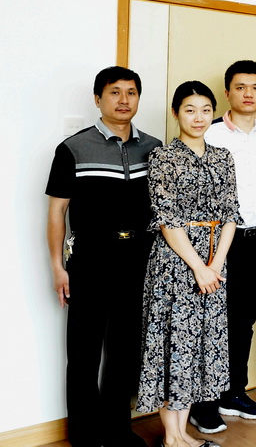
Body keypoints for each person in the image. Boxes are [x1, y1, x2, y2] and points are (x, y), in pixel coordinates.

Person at [45, 66, 162, 447]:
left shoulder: (154, 148)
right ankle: (83, 435)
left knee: (126, 349)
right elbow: (56, 212)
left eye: (131, 92)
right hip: (90, 259)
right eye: (114, 92)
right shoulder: (73, 149)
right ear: (98, 99)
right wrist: (57, 267)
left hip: (138, 259)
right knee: (83, 351)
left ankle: (117, 430)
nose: (123, 100)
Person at [136, 81, 241, 447]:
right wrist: (199, 266)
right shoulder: (163, 157)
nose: (199, 117)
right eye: (190, 110)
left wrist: (216, 265)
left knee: (198, 346)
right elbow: (167, 220)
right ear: (176, 113)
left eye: (206, 110)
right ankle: (172, 437)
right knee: (174, 344)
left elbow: (231, 215)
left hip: (215, 261)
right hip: (175, 262)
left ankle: (182, 434)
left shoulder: (223, 157)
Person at [190, 60, 256, 433]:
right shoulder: (208, 133)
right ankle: (202, 403)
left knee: (243, 322)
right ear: (227, 93)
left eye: (255, 87)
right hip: (216, 243)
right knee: (211, 321)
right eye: (240, 87)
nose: (248, 94)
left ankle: (233, 392)